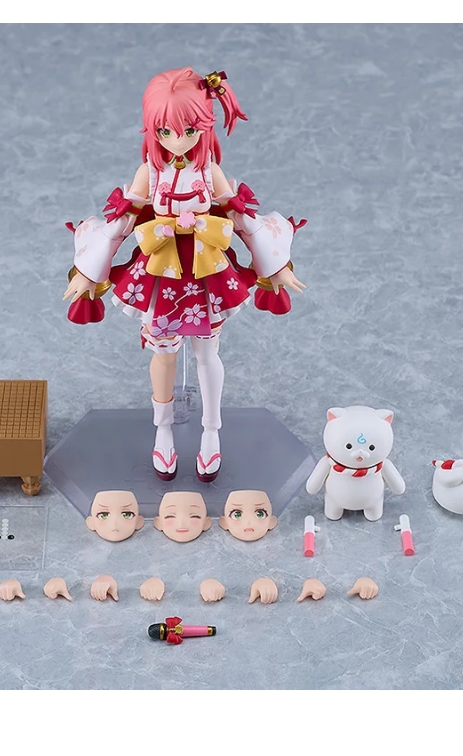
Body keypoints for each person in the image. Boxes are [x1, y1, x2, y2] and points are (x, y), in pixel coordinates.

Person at [64, 68, 305, 482]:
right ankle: (163, 431)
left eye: (190, 130)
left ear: (205, 126)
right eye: (166, 131)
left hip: (206, 271)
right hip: (162, 271)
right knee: (163, 354)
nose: (178, 141)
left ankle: (211, 432)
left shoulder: (210, 171)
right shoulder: (149, 172)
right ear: (152, 129)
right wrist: (89, 269)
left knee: (208, 354)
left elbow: (241, 218)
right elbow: (122, 223)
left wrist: (273, 263)